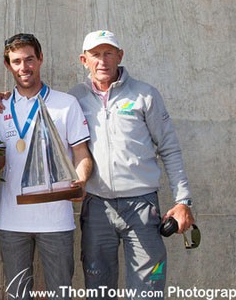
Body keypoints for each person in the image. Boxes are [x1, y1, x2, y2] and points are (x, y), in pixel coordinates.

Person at [68, 30, 194, 299]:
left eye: (109, 53)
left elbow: (170, 148)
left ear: (120, 56)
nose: (103, 61)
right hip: (96, 207)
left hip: (142, 207)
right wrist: (2, 98)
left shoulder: (145, 95)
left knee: (148, 292)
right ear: (84, 60)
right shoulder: (74, 98)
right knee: (98, 291)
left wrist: (183, 201)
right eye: (95, 55)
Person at [0, 33, 93, 300]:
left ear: (41, 59)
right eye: (16, 62)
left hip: (56, 220)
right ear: (7, 65)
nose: (24, 68)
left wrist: (80, 181)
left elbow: (81, 154)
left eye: (29, 60)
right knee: (17, 295)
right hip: (12, 220)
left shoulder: (66, 104)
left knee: (61, 294)